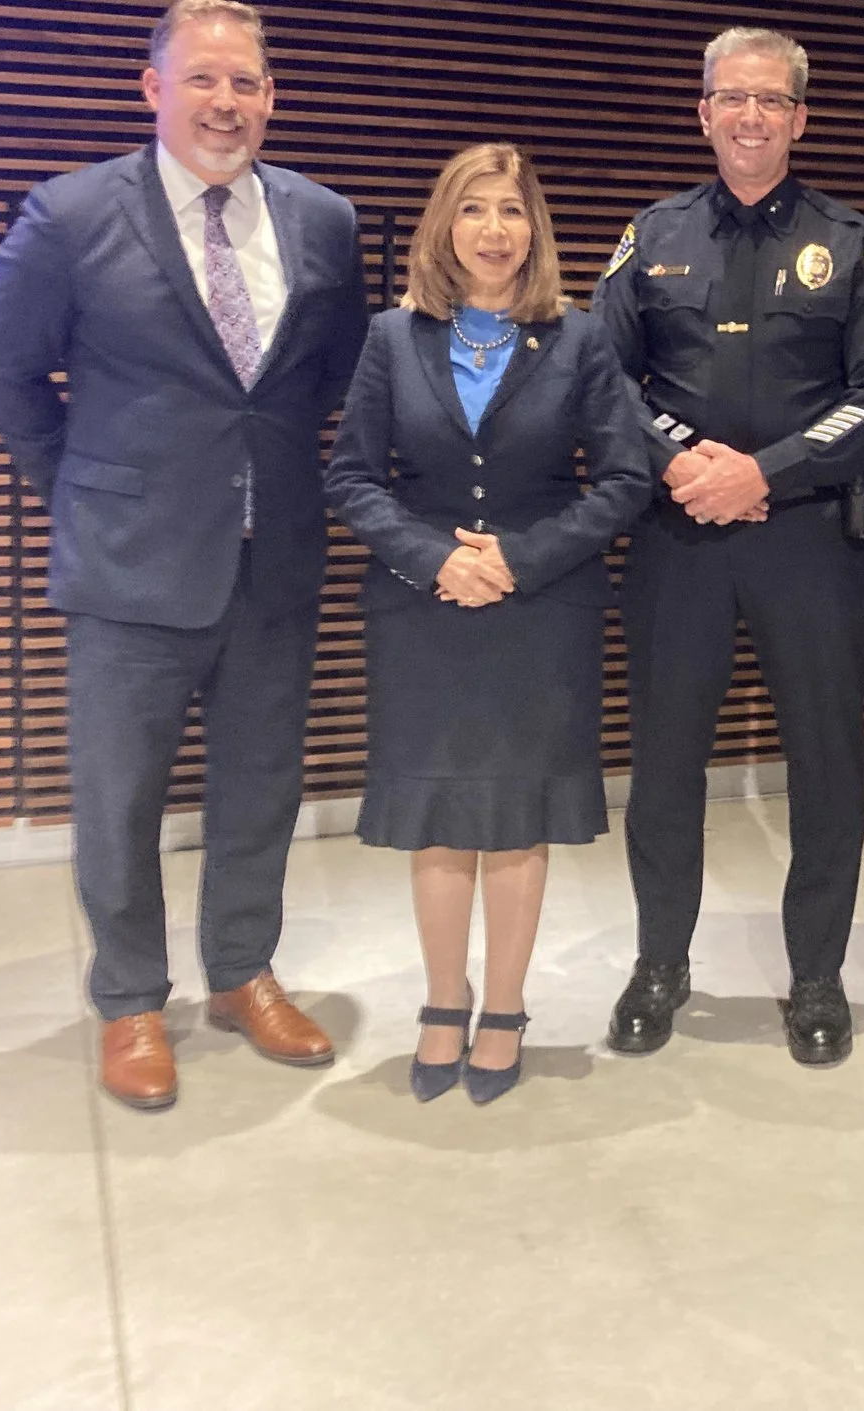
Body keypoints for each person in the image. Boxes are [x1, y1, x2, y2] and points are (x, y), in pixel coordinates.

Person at [0, 0, 368, 1111]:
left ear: (271, 97)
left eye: (246, 83)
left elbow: (332, 378)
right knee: (120, 795)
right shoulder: (72, 214)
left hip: (273, 558)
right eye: (203, 79)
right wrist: (80, 484)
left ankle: (242, 972)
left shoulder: (325, 221)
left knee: (260, 786)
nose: (225, 102)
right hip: (129, 565)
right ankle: (132, 998)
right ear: (154, 89)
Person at [593, 27, 864, 1066]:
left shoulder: (855, 243)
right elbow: (603, 381)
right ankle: (659, 966)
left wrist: (762, 473)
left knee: (826, 766)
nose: (749, 116)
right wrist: (688, 462)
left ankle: (816, 975)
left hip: (809, 542)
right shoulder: (651, 237)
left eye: (771, 101)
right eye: (730, 98)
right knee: (665, 764)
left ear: (799, 118)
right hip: (677, 536)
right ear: (701, 112)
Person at [324, 143, 650, 1104]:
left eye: (512, 211)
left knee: (514, 819)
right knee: (436, 817)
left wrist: (518, 557)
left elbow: (626, 479)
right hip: (422, 613)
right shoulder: (392, 338)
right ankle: (441, 999)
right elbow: (350, 476)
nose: (495, 230)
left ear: (534, 229)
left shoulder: (581, 340)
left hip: (540, 615)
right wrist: (437, 559)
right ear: (445, 226)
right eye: (474, 211)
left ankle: (502, 1006)